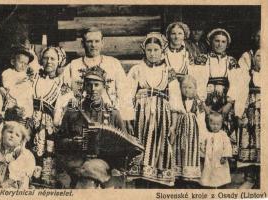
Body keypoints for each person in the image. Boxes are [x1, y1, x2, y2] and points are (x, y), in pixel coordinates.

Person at [57, 65, 130, 188]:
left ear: (104, 86)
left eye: (97, 85)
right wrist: (72, 142)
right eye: (89, 85)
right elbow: (59, 142)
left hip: (103, 163)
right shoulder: (72, 112)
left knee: (89, 175)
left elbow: (124, 146)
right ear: (84, 86)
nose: (93, 89)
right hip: (75, 160)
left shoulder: (113, 114)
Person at [127, 32, 183, 187]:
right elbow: (127, 96)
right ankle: (141, 183)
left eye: (156, 50)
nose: (152, 54)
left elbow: (175, 100)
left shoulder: (168, 71)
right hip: (140, 115)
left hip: (161, 116)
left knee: (159, 148)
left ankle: (157, 182)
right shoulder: (137, 69)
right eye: (149, 50)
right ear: (144, 50)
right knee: (140, 148)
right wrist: (129, 119)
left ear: (162, 51)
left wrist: (173, 125)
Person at [191, 28, 249, 155]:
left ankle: (224, 160)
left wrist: (229, 104)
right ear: (210, 42)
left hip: (225, 101)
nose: (219, 44)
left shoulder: (231, 61)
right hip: (206, 100)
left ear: (227, 44)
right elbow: (195, 82)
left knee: (225, 128)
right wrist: (203, 105)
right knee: (205, 126)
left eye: (223, 42)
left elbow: (237, 84)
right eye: (216, 41)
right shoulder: (202, 59)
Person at [61, 27, 134, 121]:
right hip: (81, 117)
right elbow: (65, 93)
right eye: (89, 41)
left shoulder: (113, 63)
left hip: (109, 117)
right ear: (83, 43)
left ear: (102, 43)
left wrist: (126, 118)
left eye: (97, 41)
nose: (93, 45)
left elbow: (124, 92)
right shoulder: (73, 65)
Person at [30, 46, 73, 187]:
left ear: (59, 61)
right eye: (46, 58)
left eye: (53, 58)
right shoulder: (32, 79)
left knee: (48, 159)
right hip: (31, 124)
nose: (49, 61)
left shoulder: (62, 85)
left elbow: (64, 110)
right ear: (41, 60)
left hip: (50, 127)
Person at [172, 75, 205, 185]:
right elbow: (175, 113)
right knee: (179, 150)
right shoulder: (178, 101)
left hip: (192, 132)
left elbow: (201, 119)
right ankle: (178, 174)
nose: (187, 90)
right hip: (180, 130)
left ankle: (189, 176)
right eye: (184, 87)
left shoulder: (198, 102)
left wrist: (202, 137)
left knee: (190, 151)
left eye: (190, 87)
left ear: (195, 88)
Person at [0, 121, 35, 189]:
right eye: (10, 132)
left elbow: (20, 172)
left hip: (14, 182)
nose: (12, 136)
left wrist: (8, 182)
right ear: (2, 134)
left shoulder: (22, 153)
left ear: (21, 141)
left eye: (17, 135)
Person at [238, 44, 261, 189]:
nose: (261, 59)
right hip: (250, 115)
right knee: (249, 145)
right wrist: (240, 113)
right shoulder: (248, 75)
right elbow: (241, 95)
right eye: (258, 56)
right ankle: (250, 178)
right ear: (253, 58)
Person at [200, 112, 232, 188]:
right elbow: (202, 145)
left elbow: (227, 145)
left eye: (218, 124)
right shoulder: (207, 134)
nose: (215, 126)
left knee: (220, 172)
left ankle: (221, 185)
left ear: (221, 124)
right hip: (209, 158)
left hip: (220, 158)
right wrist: (203, 154)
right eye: (213, 124)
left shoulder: (223, 134)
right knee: (209, 172)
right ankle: (209, 185)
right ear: (209, 124)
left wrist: (225, 156)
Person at [2, 44, 35, 118]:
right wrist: (17, 80)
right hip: (11, 103)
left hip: (22, 104)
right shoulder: (8, 72)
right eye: (21, 62)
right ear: (13, 62)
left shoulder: (26, 76)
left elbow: (29, 94)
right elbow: (6, 84)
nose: (23, 65)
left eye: (26, 64)